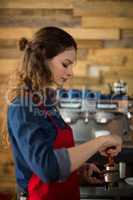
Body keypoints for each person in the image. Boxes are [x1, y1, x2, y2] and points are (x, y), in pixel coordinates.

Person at [5, 26, 122, 200]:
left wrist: (79, 170)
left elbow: (54, 151)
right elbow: (48, 167)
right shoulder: (22, 106)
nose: (70, 72)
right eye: (65, 64)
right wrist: (101, 141)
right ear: (43, 59)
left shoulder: (45, 102)